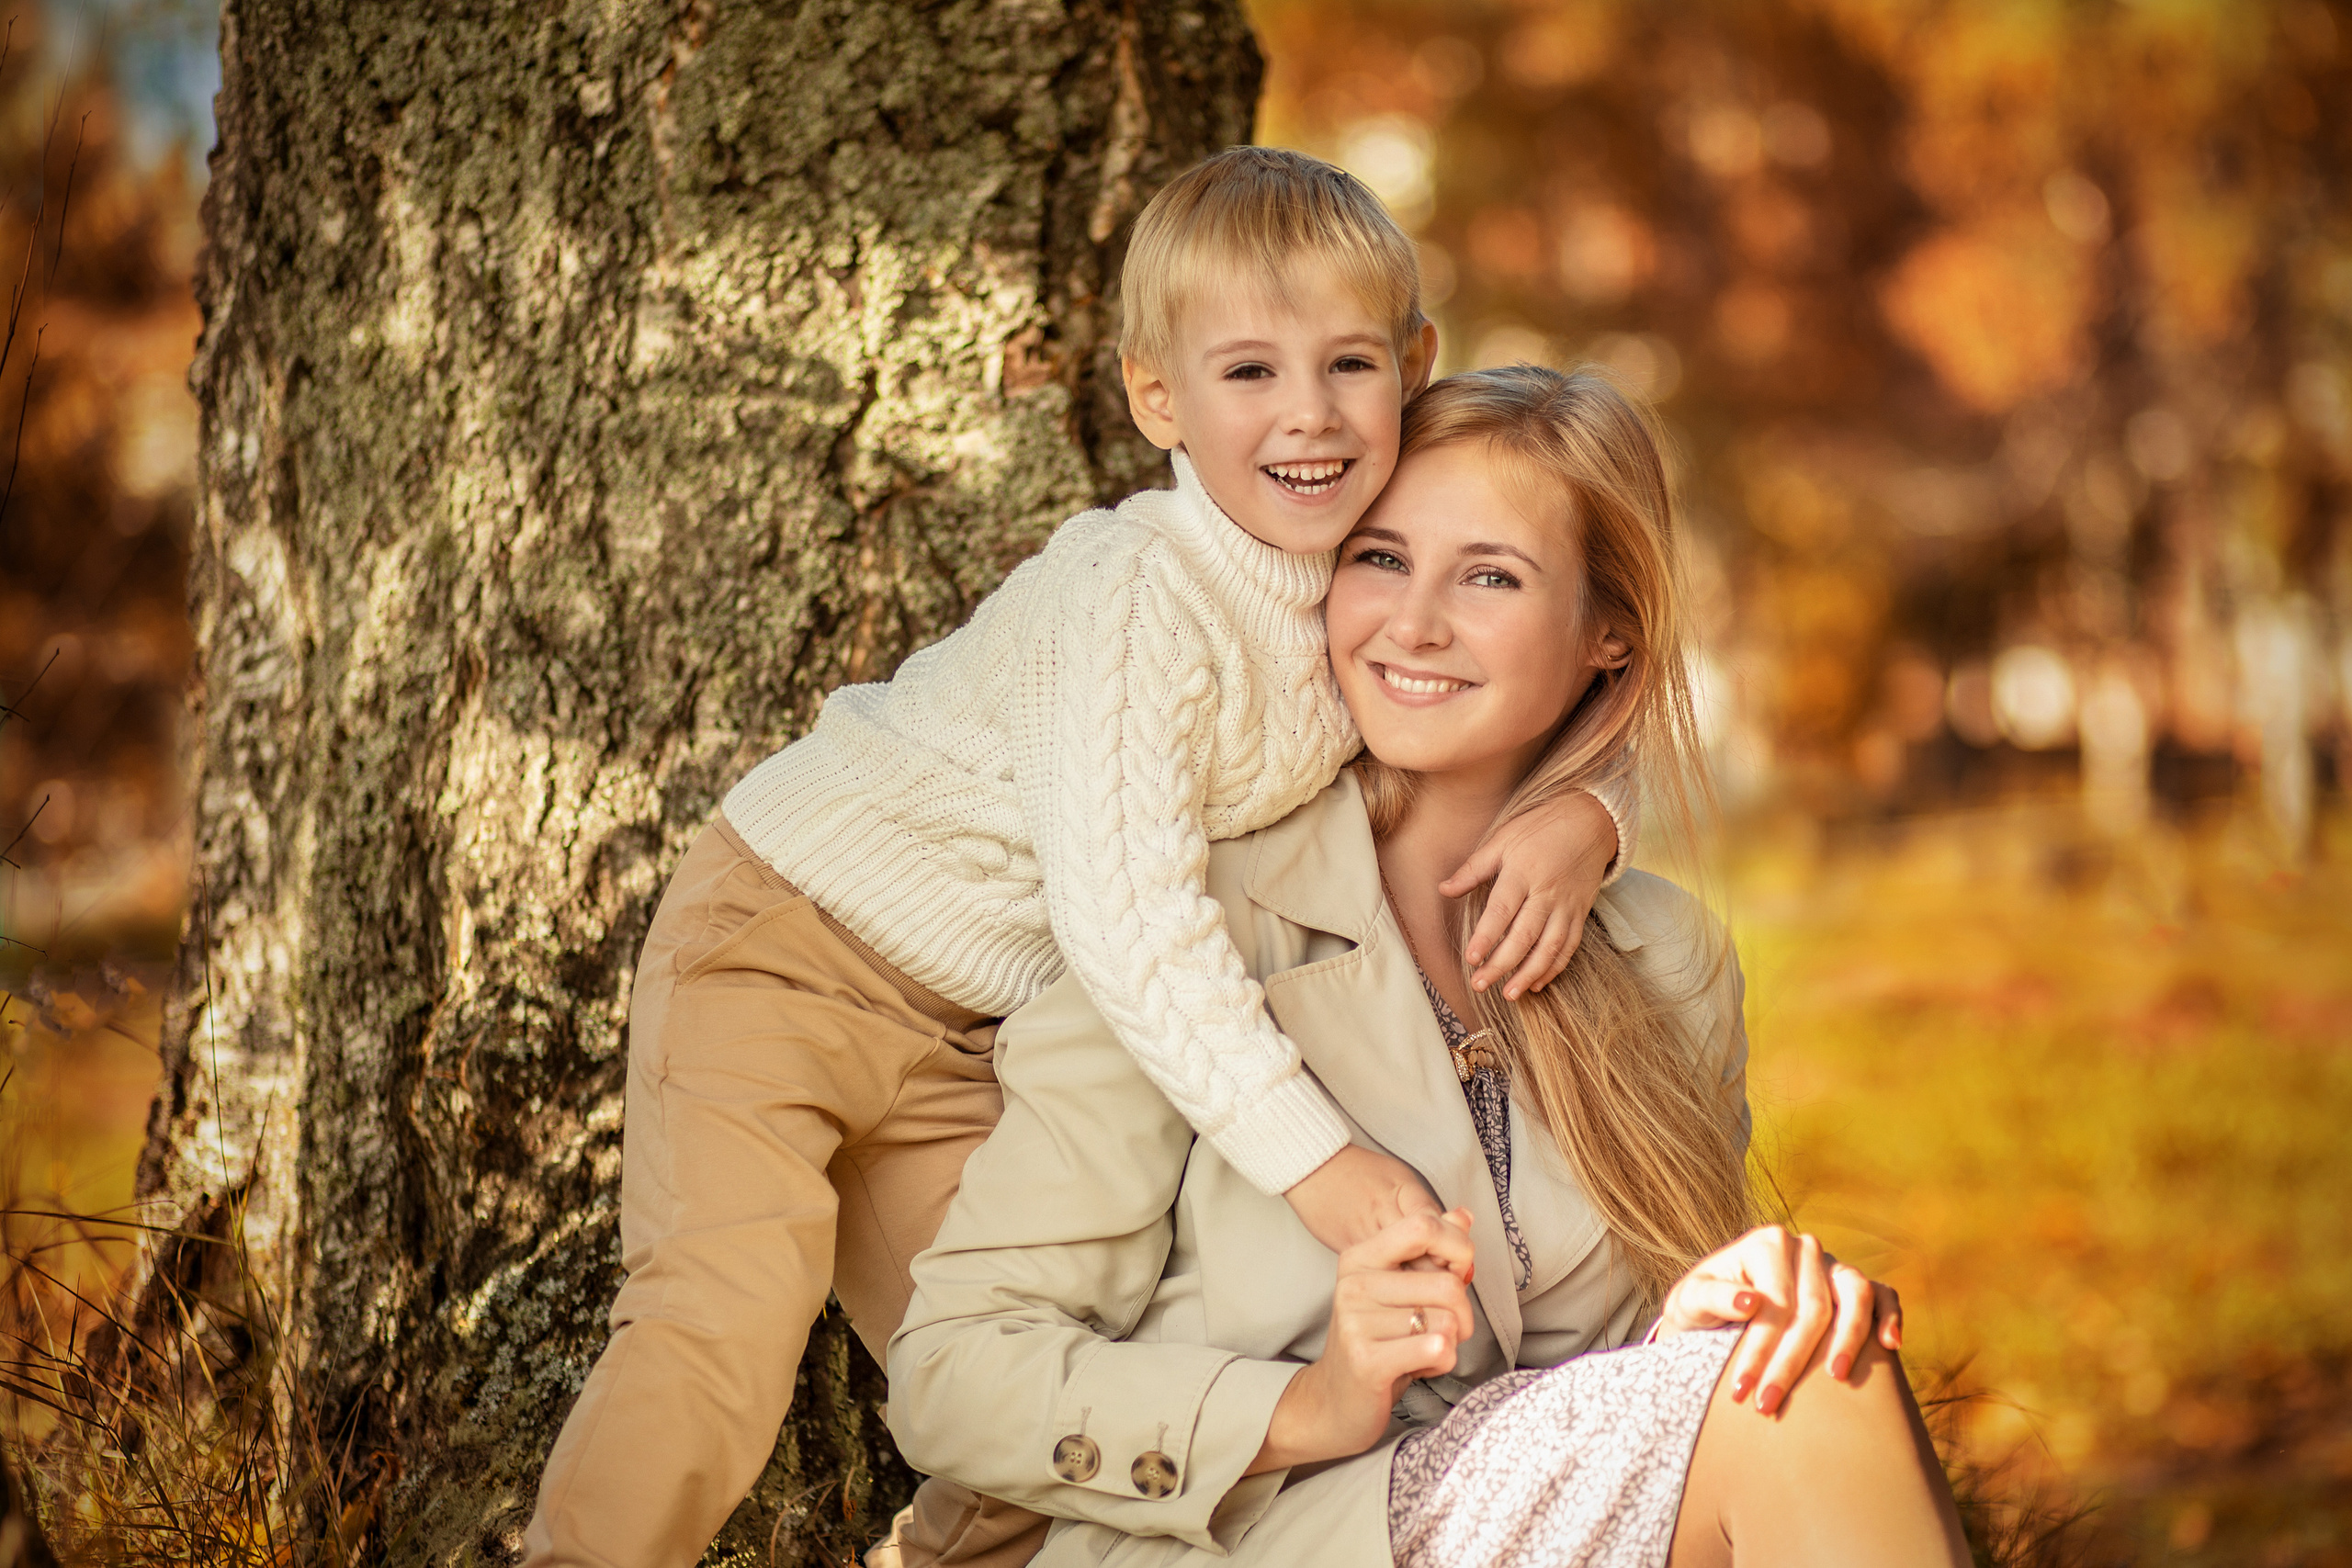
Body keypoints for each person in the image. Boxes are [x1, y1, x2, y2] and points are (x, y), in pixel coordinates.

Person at [524, 151, 1643, 1568]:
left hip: (968, 1033)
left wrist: (1593, 813)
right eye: (1249, 372)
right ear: (1156, 399)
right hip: (783, 949)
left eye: (1350, 364)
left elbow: (1542, 682)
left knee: (1030, 1385)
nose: (1308, 414)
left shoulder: (1362, 596)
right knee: (720, 1325)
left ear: (1413, 371)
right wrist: (1320, 1165)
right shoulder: (1132, 595)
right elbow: (1130, 927)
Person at [888, 366, 1973, 1568]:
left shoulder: (1670, 959)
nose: (1413, 624)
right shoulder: (1181, 931)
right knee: (1806, 1400)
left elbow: (1624, 1402)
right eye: (1381, 558)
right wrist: (1308, 1404)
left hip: (1536, 1522)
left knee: (1807, 1363)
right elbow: (954, 1376)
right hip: (1256, 1544)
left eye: (1489, 576)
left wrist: (1723, 1310)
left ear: (1609, 633)